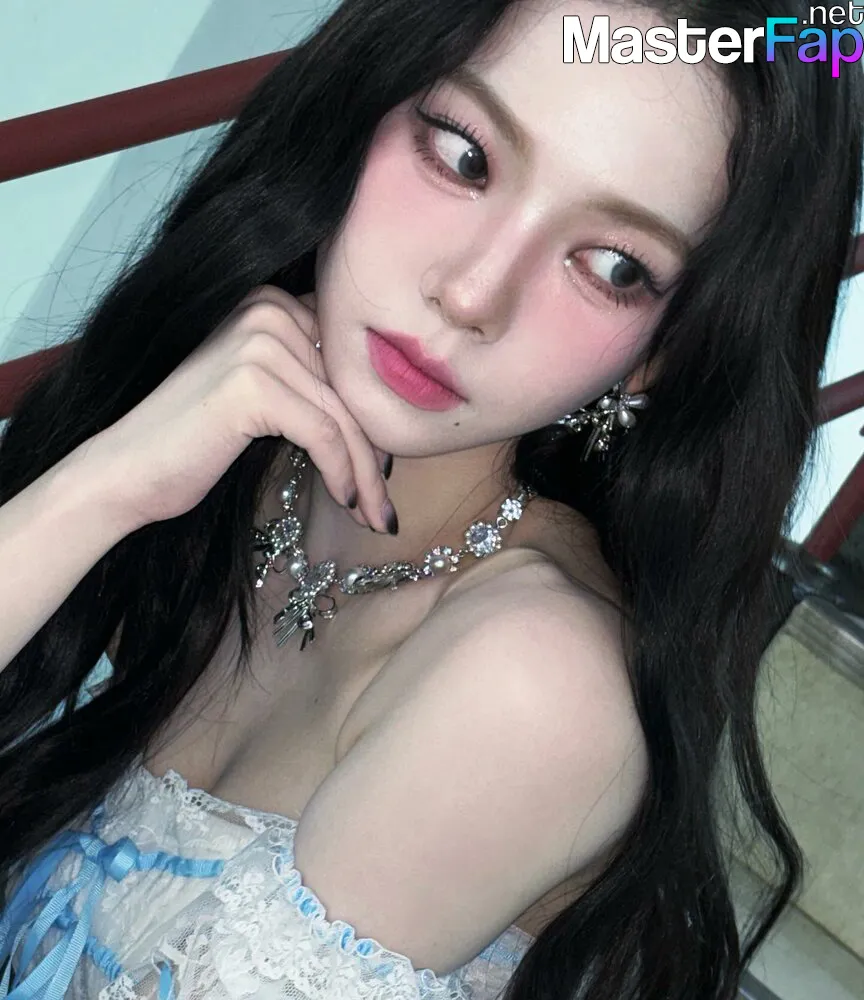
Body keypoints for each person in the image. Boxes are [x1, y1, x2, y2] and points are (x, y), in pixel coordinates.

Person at [0, 0, 861, 997]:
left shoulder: (531, 683)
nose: (472, 293)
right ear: (364, 104)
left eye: (614, 267)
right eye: (464, 156)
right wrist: (102, 488)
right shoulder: (244, 450)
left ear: (662, 354)